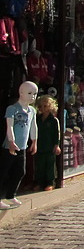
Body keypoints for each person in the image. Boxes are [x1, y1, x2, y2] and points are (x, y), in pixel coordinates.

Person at [0, 81, 38, 210]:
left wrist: (34, 141)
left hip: (22, 147)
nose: (32, 96)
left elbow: (33, 126)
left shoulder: (32, 110)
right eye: (29, 93)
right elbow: (9, 126)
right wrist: (11, 141)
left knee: (20, 171)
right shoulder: (12, 109)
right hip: (10, 147)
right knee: (4, 172)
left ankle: (11, 194)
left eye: (35, 94)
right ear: (21, 93)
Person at [34, 95, 61, 191]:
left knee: (50, 165)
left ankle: (51, 183)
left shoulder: (54, 120)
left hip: (50, 146)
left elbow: (57, 133)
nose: (43, 108)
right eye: (41, 106)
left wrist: (56, 145)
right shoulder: (37, 119)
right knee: (39, 166)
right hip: (40, 145)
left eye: (45, 106)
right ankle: (39, 183)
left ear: (50, 106)